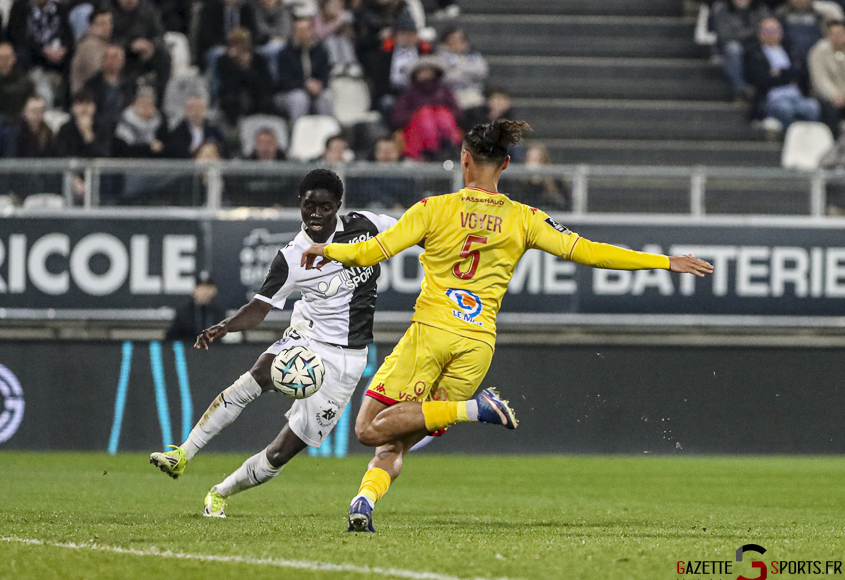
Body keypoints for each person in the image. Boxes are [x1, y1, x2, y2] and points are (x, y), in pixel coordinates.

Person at [300, 121, 714, 532]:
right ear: (507, 165)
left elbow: (372, 252)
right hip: (477, 345)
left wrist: (325, 249)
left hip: (431, 334)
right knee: (397, 437)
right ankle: (363, 504)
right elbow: (589, 252)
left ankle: (474, 409)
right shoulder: (525, 217)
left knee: (368, 428)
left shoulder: (432, 209)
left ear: (464, 159)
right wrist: (664, 261)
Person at [149, 169, 402, 520]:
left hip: (348, 361)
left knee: (281, 453)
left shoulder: (367, 226)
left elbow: (415, 229)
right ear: (299, 205)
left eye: (324, 208)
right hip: (308, 339)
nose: (315, 215)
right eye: (308, 206)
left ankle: (221, 491)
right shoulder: (292, 257)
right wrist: (224, 325)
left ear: (338, 207)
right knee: (254, 378)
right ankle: (182, 454)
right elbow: (260, 307)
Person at [745, 17, 821, 130]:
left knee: (813, 107)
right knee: (785, 109)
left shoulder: (791, 50)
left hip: (796, 96)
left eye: (775, 31)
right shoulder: (754, 54)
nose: (772, 34)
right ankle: (790, 139)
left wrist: (780, 73)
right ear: (760, 34)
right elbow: (762, 79)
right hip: (772, 98)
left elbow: (800, 72)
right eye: (768, 31)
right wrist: (788, 74)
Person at [390, 57, 462, 161]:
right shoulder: (408, 94)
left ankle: (448, 147)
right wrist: (418, 113)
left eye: (428, 71)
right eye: (422, 71)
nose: (425, 74)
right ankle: (429, 150)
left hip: (445, 128)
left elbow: (458, 113)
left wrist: (438, 113)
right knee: (425, 114)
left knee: (442, 114)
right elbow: (398, 117)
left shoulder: (445, 91)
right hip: (416, 132)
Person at [275, 17, 334, 122]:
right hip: (291, 92)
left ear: (311, 31)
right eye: (299, 30)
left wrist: (319, 85)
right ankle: (298, 133)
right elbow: (284, 81)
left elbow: (325, 74)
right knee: (300, 99)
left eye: (306, 29)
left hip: (315, 90)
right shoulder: (285, 53)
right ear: (294, 32)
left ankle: (327, 132)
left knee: (326, 97)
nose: (303, 33)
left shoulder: (320, 51)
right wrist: (305, 85)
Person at [712, 0, 771, 101]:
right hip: (732, 46)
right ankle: (740, 90)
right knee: (733, 48)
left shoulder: (759, 8)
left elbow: (766, 28)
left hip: (755, 45)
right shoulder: (722, 8)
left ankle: (767, 90)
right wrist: (753, 33)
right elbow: (725, 36)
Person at [215, 28, 275, 126]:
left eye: (243, 43)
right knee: (230, 99)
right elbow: (228, 84)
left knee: (265, 100)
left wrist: (247, 68)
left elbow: (264, 83)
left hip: (256, 93)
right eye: (236, 43)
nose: (240, 47)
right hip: (233, 94)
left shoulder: (258, 59)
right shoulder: (224, 61)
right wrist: (235, 65)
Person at [809, 20, 845, 133]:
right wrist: (834, 95)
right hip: (827, 97)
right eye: (834, 34)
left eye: (841, 34)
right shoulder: (818, 51)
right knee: (831, 110)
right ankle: (833, 142)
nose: (837, 37)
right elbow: (820, 79)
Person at [436, 25, 488, 128]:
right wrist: (467, 73)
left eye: (460, 39)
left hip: (472, 93)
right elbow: (445, 77)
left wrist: (457, 69)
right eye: (453, 39)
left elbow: (481, 72)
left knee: (478, 110)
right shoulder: (440, 56)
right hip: (450, 95)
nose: (457, 42)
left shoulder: (473, 55)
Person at [165, 272, 226, 341]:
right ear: (194, 290)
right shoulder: (183, 313)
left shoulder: (218, 313)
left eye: (207, 288)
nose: (204, 291)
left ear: (214, 291)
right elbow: (170, 338)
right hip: (189, 350)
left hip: (213, 350)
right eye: (201, 288)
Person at [112, 86, 167, 157]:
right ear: (133, 105)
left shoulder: (161, 125)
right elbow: (122, 150)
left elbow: (166, 148)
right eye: (142, 103)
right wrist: (148, 148)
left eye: (149, 104)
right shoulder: (122, 125)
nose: (146, 107)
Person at [70, 8, 113, 94]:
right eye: (102, 24)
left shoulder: (104, 43)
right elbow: (97, 72)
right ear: (91, 26)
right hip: (86, 97)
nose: (107, 27)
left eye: (109, 23)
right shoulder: (89, 45)